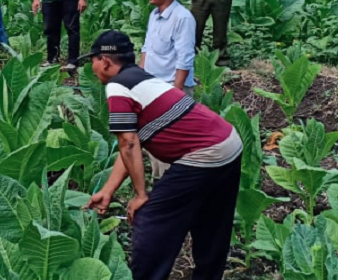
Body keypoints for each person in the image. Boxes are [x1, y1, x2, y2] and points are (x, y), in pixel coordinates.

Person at [83, 30, 242, 280]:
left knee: (151, 218)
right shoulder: (144, 80)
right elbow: (131, 145)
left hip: (204, 153)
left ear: (105, 61)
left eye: (92, 60)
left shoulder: (118, 86)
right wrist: (108, 191)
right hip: (228, 143)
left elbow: (128, 143)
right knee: (211, 223)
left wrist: (140, 195)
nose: (91, 67)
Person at [140, 0, 196, 96]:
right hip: (152, 84)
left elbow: (185, 57)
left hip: (171, 87)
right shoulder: (153, 15)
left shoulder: (182, 18)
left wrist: (176, 91)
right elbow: (146, 48)